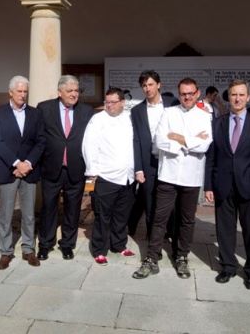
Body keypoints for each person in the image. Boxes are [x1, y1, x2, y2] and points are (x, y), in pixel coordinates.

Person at [133, 77, 212, 280]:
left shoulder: (204, 116)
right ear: (179, 94)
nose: (186, 97)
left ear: (197, 93)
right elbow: (159, 142)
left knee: (187, 220)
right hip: (167, 174)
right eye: (183, 93)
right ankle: (151, 259)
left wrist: (177, 138)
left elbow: (204, 146)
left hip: (191, 177)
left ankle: (182, 257)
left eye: (190, 93)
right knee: (159, 218)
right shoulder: (169, 113)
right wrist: (190, 142)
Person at [204, 79, 250, 290]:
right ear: (228, 97)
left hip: (248, 185)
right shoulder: (218, 123)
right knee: (224, 229)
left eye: (241, 95)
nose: (238, 98)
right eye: (234, 94)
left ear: (248, 97)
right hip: (223, 184)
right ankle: (228, 266)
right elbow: (211, 158)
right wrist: (208, 186)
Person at [37, 75, 94, 261]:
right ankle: (45, 244)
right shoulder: (44, 108)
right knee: (48, 208)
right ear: (59, 92)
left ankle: (68, 244)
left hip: (76, 168)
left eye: (76, 91)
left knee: (73, 209)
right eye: (70, 91)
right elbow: (39, 137)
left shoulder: (87, 111)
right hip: (52, 167)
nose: (74, 94)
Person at [0, 76, 46, 269]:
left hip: (29, 171)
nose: (23, 95)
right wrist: (16, 163)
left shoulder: (35, 114)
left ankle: (28, 249)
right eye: (19, 91)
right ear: (10, 92)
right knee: (5, 214)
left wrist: (28, 163)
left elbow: (41, 141)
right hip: (8, 170)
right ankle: (6, 252)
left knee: (29, 213)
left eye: (25, 91)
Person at [83, 87, 136, 266]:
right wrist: (92, 172)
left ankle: (119, 245)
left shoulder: (130, 118)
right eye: (107, 102)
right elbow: (89, 145)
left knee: (121, 215)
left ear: (122, 102)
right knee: (102, 216)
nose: (109, 106)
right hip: (106, 176)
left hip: (127, 177)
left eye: (113, 102)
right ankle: (99, 249)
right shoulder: (98, 119)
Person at [128, 70, 178, 239]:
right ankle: (152, 238)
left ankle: (171, 235)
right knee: (149, 202)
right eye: (144, 85)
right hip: (149, 162)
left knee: (171, 202)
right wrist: (138, 169)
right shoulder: (137, 111)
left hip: (171, 160)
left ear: (158, 84)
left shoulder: (173, 103)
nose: (147, 88)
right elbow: (135, 141)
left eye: (150, 84)